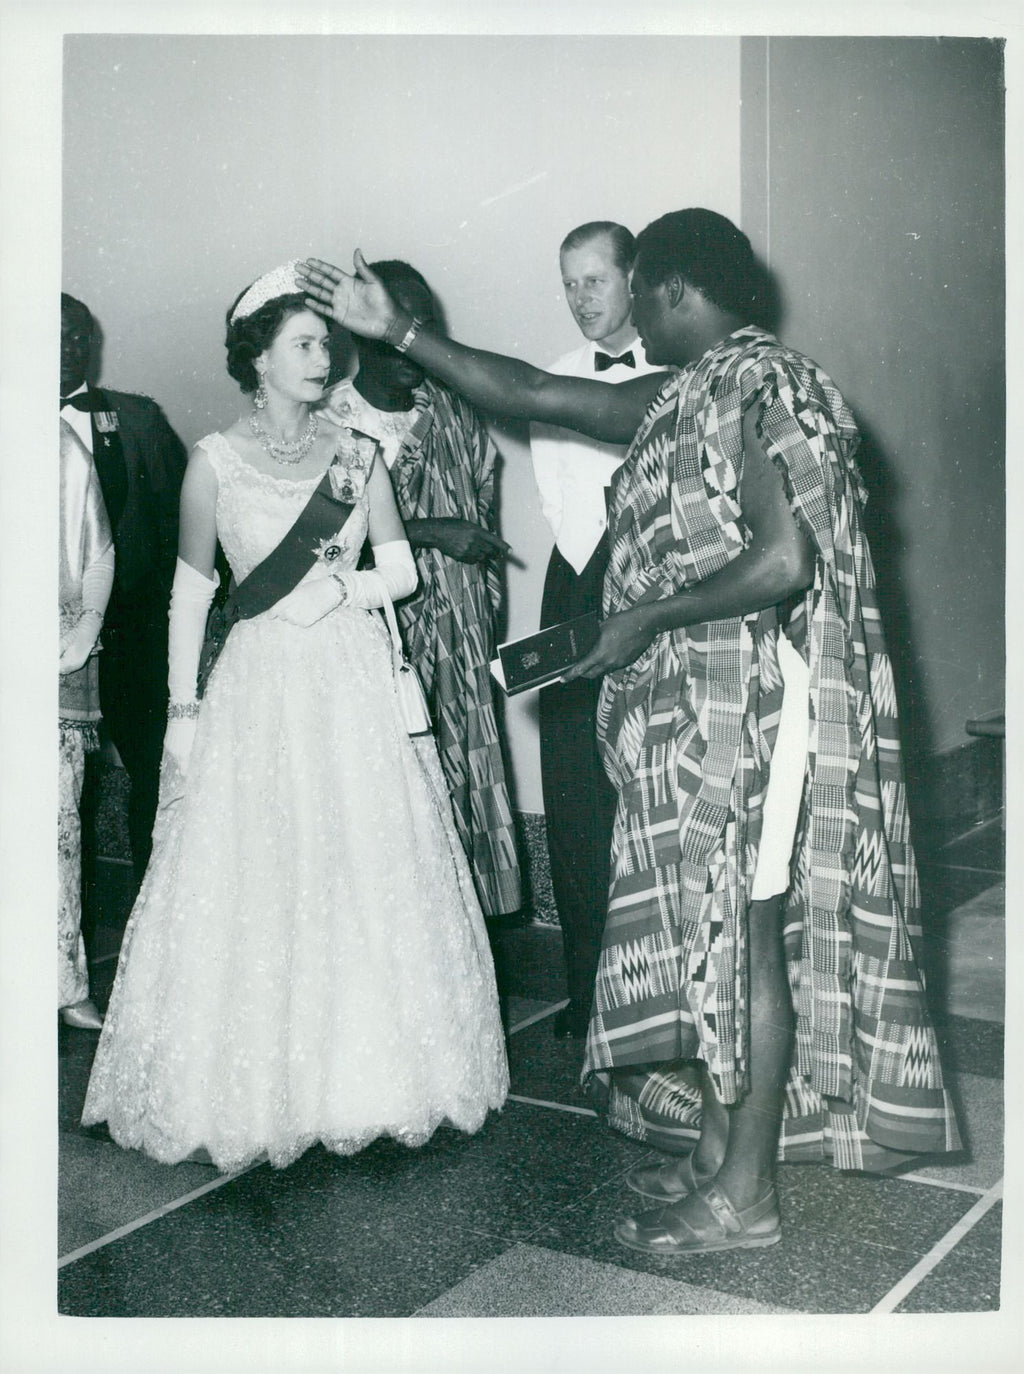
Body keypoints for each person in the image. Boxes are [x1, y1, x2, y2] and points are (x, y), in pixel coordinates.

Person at [298, 210, 960, 1254]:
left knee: (748, 936)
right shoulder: (691, 390)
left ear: (674, 288)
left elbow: (784, 561)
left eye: (639, 291)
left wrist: (643, 617)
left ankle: (746, 1195)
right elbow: (537, 392)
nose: (632, 315)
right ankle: (717, 1153)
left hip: (765, 702)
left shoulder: (768, 386)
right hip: (715, 700)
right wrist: (402, 333)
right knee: (716, 928)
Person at [82, 263, 508, 1171]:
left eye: (327, 343)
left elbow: (402, 570)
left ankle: (369, 1080)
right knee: (262, 863)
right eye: (305, 344)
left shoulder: (358, 454)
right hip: (259, 685)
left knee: (362, 859)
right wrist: (183, 709)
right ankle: (257, 1087)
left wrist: (343, 589)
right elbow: (191, 597)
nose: (324, 358)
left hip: (349, 675)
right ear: (259, 359)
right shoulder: (212, 461)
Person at [324, 260, 521, 919]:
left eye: (421, 326)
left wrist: (480, 622)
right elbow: (323, 550)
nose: (411, 343)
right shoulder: (333, 423)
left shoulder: (453, 414)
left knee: (465, 791)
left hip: (459, 646)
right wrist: (433, 532)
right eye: (394, 326)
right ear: (358, 330)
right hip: (375, 647)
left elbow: (484, 517)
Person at [529, 222, 664, 1039]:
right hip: (578, 581)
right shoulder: (554, 377)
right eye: (569, 284)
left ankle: (656, 1003)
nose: (581, 299)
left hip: (657, 583)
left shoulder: (680, 370)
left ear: (633, 279)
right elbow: (561, 501)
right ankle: (588, 998)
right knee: (576, 789)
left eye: (595, 281)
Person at [61, 293, 188, 886]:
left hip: (135, 633)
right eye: (54, 334)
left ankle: (149, 906)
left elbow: (180, 523)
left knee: (153, 769)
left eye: (79, 336)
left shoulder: (137, 419)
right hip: (46, 645)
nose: (68, 348)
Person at [59, 389, 115, 1030]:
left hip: (50, 668)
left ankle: (63, 984)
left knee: (56, 833)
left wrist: (85, 629)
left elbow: (97, 550)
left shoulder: (62, 446)